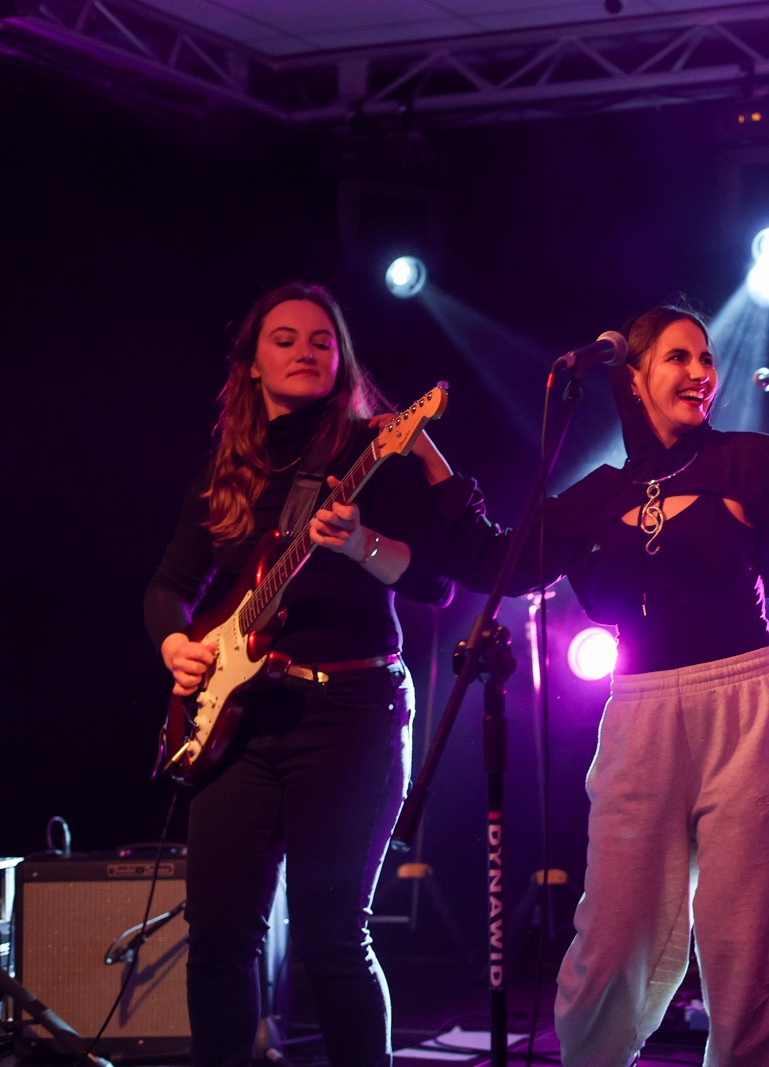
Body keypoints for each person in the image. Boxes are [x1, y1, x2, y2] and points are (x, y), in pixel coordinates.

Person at [414, 305, 769, 1067]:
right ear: (633, 379)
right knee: (613, 934)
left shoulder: (745, 460)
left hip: (745, 702)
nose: (700, 373)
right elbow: (499, 565)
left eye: (706, 358)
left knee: (752, 938)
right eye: (679, 357)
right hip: (640, 714)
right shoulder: (598, 494)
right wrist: (429, 458)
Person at [144, 282, 456, 1067]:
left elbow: (435, 583)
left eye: (323, 340)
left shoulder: (370, 450)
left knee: (331, 936)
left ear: (342, 358)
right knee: (219, 937)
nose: (306, 351)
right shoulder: (228, 470)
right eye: (284, 339)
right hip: (241, 722)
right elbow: (168, 586)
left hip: (352, 711)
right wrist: (176, 644)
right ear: (251, 363)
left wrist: (359, 544)